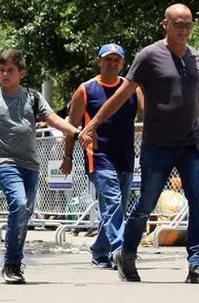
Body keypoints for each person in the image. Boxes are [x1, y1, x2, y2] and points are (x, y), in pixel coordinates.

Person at [80, 4, 199, 284]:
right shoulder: (149, 56)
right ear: (165, 25)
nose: (184, 29)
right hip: (157, 146)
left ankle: (196, 265)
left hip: (191, 145)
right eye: (178, 24)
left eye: (188, 24)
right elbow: (123, 94)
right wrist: (94, 123)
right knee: (145, 205)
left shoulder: (198, 58)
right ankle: (127, 253)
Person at [0, 49, 81, 284]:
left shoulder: (32, 97)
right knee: (19, 204)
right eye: (1, 70)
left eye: (10, 70)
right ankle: (11, 263)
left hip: (30, 165)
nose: (4, 74)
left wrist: (74, 131)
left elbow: (52, 117)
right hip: (4, 162)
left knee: (24, 214)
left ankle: (13, 264)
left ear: (22, 73)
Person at [67, 44, 143, 269]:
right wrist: (67, 156)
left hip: (126, 157)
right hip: (98, 157)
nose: (112, 63)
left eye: (116, 59)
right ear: (99, 61)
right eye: (108, 59)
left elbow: (149, 116)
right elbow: (71, 125)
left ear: (123, 63)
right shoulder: (86, 89)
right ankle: (121, 250)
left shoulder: (132, 89)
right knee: (113, 204)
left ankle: (100, 250)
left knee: (115, 208)